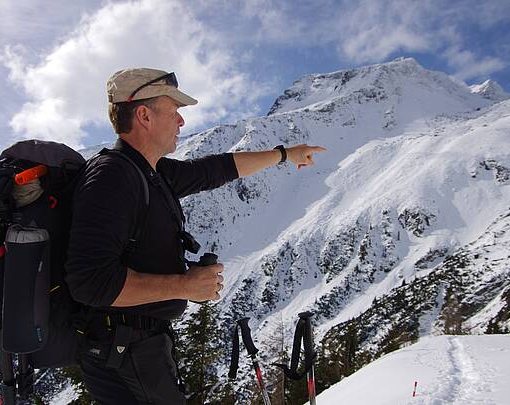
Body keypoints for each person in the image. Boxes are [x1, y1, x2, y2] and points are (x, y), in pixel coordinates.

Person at [64, 68, 325, 404]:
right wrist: (184, 286)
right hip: (122, 355)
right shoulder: (113, 177)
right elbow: (89, 282)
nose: (181, 122)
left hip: (137, 351)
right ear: (143, 115)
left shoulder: (151, 172)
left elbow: (216, 169)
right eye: (173, 112)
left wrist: (285, 155)